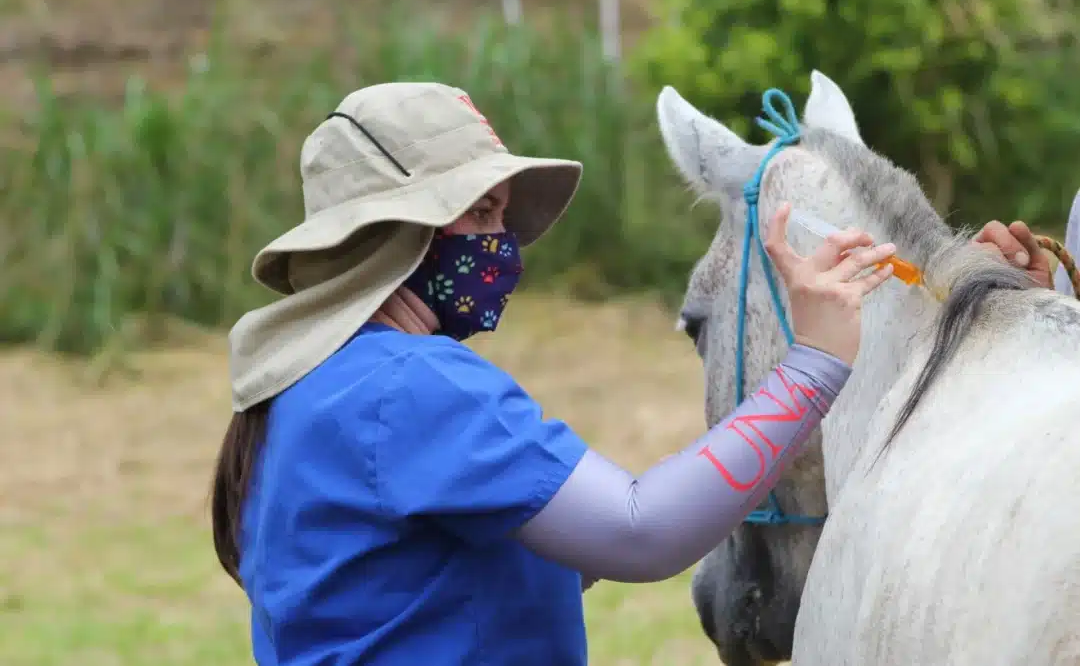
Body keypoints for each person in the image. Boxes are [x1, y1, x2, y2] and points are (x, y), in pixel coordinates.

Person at [211, 82, 976, 666]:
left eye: (502, 217)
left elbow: (538, 553)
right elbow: (639, 530)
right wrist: (813, 363)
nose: (503, 244)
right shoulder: (408, 386)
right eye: (480, 214)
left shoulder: (317, 386)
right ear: (395, 231)